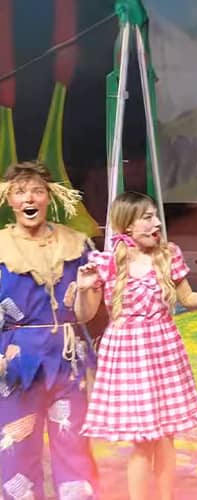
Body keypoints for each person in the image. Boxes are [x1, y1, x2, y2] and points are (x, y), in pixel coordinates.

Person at [75, 191, 197, 500]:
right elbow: (84, 315)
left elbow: (188, 298)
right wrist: (82, 290)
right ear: (127, 225)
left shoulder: (169, 254)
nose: (157, 222)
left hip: (163, 348)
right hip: (129, 354)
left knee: (166, 436)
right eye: (147, 217)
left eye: (155, 215)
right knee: (143, 440)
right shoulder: (105, 263)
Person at [0, 161, 98, 499]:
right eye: (20, 192)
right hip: (15, 361)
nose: (29, 198)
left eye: (37, 191)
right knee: (16, 445)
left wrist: (86, 289)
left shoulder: (77, 244)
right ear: (9, 199)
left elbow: (85, 315)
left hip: (67, 357)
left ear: (49, 197)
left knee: (74, 443)